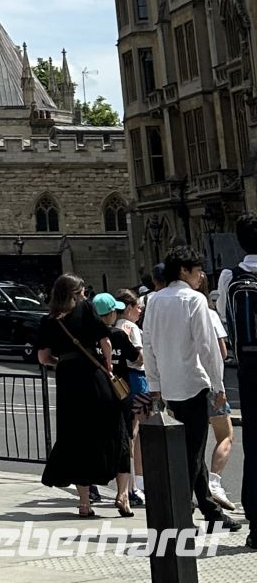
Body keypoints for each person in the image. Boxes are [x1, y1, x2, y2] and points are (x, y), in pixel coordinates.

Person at [131, 245, 241, 533]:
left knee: (189, 451)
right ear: (184, 270)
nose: (200, 275)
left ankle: (210, 510)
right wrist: (219, 386)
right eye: (197, 269)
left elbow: (150, 344)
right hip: (193, 383)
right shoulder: (193, 300)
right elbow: (207, 347)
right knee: (192, 454)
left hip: (168, 385)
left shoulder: (154, 300)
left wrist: (155, 384)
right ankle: (182, 512)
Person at [38, 275, 131, 519]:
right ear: (73, 294)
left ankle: (84, 503)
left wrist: (63, 362)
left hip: (68, 383)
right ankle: (122, 495)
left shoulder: (48, 321)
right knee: (116, 431)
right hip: (94, 376)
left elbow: (43, 358)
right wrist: (108, 366)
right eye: (80, 292)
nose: (83, 296)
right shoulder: (86, 309)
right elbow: (105, 340)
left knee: (76, 436)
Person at [216, 211, 257, 546]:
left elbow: (225, 320)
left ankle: (256, 526)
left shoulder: (232, 276)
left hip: (250, 368)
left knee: (254, 448)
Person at [192, 269, 236, 511]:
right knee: (225, 435)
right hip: (208, 382)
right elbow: (222, 352)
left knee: (191, 441)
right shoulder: (209, 313)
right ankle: (215, 482)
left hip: (181, 384)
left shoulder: (167, 308)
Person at [115, 290, 149, 507]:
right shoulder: (132, 328)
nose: (139, 312)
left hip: (122, 381)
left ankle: (131, 485)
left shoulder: (115, 327)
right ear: (128, 308)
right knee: (136, 433)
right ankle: (137, 484)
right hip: (137, 379)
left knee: (129, 431)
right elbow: (138, 358)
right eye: (137, 308)